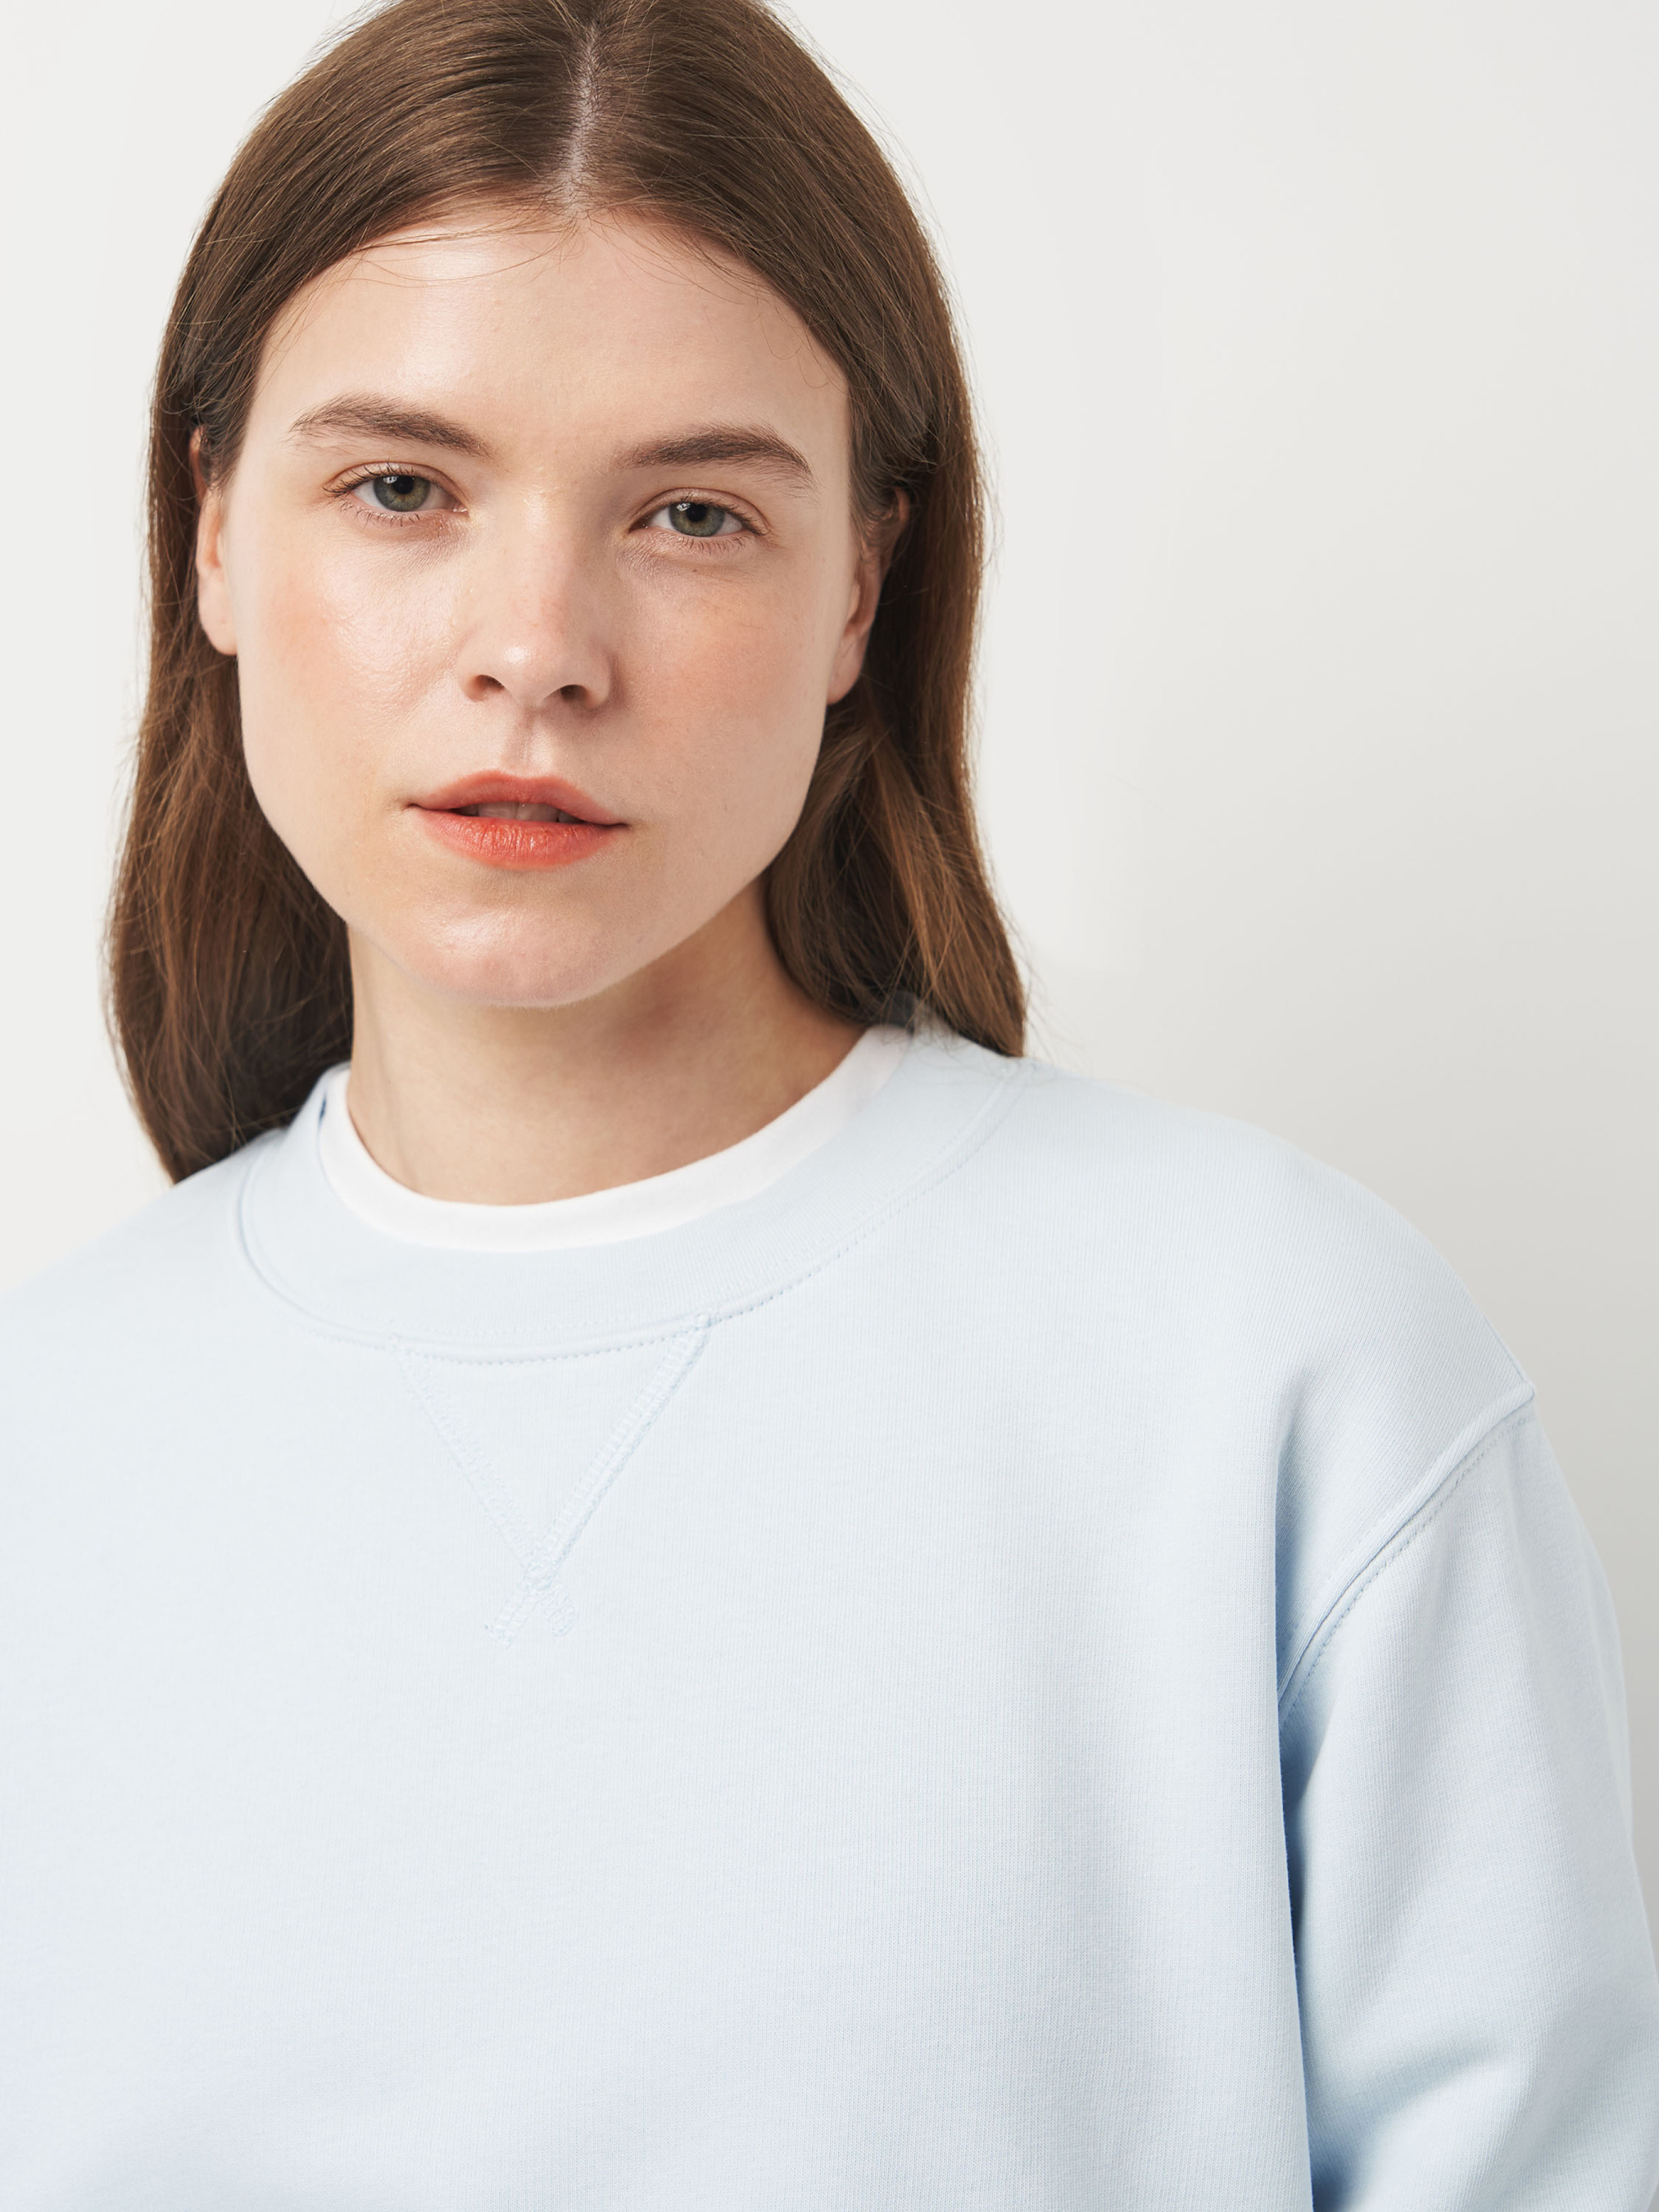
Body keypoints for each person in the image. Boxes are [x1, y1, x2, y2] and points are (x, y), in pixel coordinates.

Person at [2, 0, 1655, 2201]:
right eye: (401, 487)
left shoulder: (1272, 1365)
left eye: (691, 513)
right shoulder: (48, 1447)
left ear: (861, 587)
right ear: (212, 526)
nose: (536, 646)